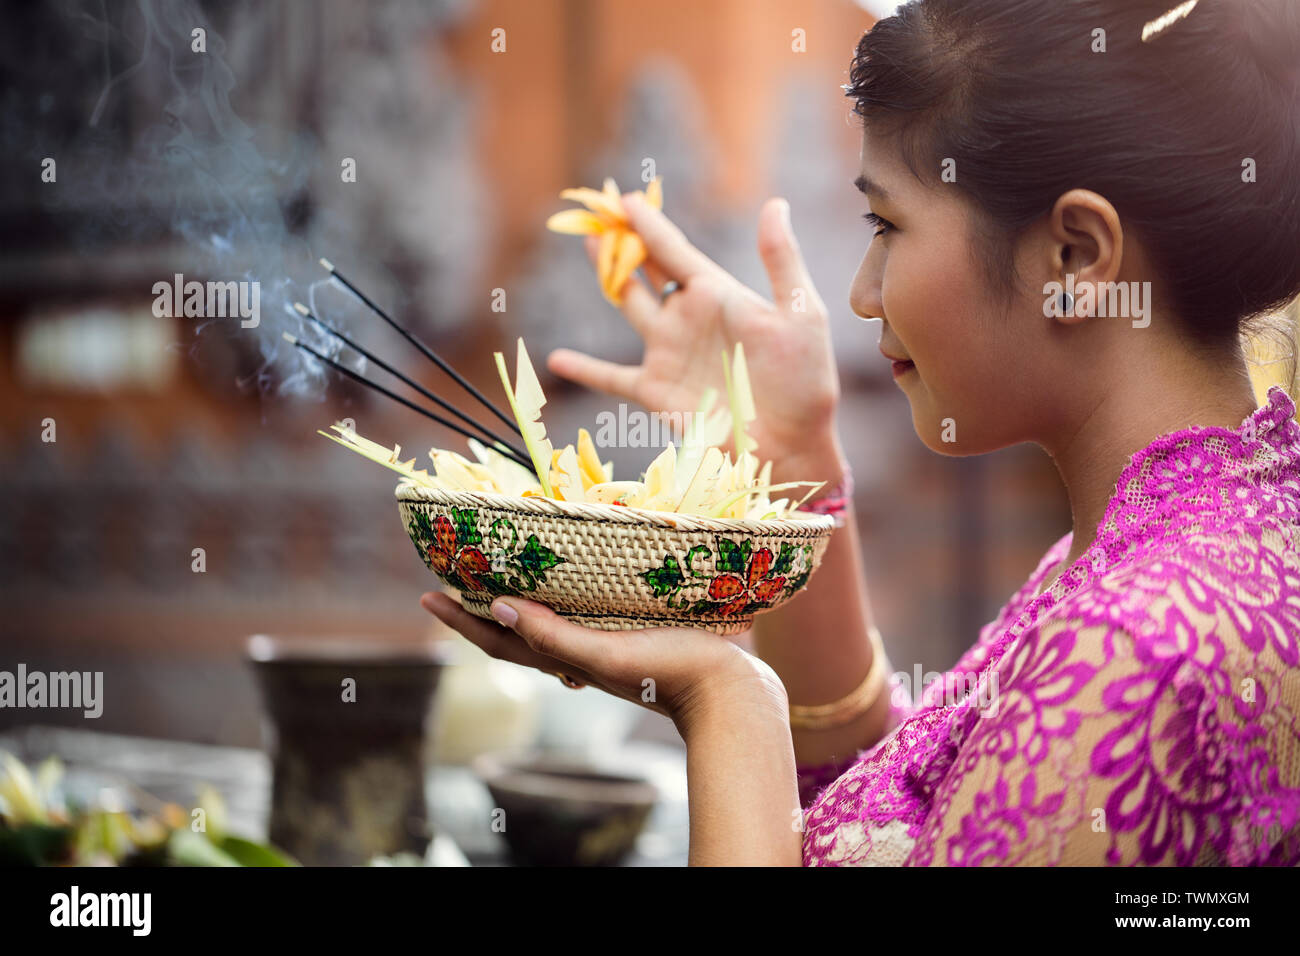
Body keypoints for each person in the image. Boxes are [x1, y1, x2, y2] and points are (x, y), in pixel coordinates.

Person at [422, 0, 1300, 865]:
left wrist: (722, 698)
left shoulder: (1134, 652)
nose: (862, 292)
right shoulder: (1188, 538)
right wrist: (793, 456)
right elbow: (907, 810)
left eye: (887, 225)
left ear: (1074, 257)